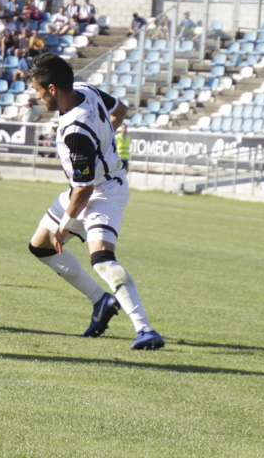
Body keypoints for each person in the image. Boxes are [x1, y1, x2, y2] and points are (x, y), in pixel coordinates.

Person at [25, 53, 165, 350]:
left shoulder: (76, 132)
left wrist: (64, 226)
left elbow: (84, 190)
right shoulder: (86, 89)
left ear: (52, 89)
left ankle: (145, 329)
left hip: (104, 193)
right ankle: (101, 301)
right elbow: (121, 110)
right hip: (85, 188)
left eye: (38, 91)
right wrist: (103, 143)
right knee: (40, 246)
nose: (37, 97)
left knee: (101, 258)